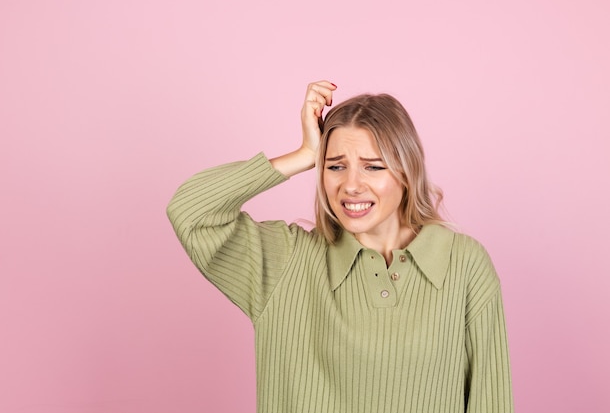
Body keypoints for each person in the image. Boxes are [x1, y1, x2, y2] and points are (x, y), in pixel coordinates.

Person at [167, 81, 514, 413]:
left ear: (406, 173)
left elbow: (491, 401)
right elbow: (190, 211)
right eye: (335, 166)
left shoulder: (464, 264)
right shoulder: (286, 261)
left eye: (372, 167)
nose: (351, 185)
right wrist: (304, 154)